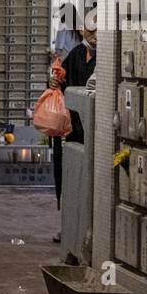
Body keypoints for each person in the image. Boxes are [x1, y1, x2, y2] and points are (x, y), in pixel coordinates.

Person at [50, 14, 97, 241]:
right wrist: (55, 82)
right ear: (82, 31)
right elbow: (62, 83)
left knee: (89, 182)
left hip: (92, 132)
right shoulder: (76, 55)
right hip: (71, 129)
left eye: (100, 32)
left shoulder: (106, 59)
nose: (96, 37)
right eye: (91, 32)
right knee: (67, 177)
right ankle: (68, 225)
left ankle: (87, 229)